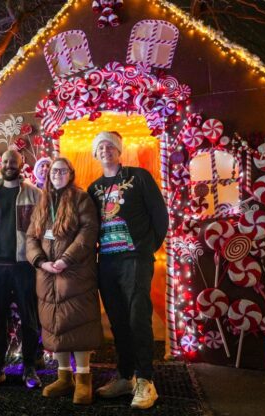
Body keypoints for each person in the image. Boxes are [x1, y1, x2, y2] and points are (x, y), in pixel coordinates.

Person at [87, 131, 168, 410]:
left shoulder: (139, 177)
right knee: (118, 321)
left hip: (135, 259)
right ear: (95, 154)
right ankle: (125, 377)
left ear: (118, 150)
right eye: (100, 147)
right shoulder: (94, 188)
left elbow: (160, 215)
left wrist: (146, 248)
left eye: (110, 146)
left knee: (137, 319)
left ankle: (146, 380)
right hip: (107, 262)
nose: (105, 150)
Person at [26, 157, 102, 404]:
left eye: (62, 170)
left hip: (75, 273)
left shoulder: (81, 199)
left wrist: (67, 259)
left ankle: (83, 380)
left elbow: (88, 231)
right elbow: (31, 237)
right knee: (55, 324)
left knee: (78, 323)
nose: (57, 174)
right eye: (53, 171)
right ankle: (64, 377)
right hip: (47, 275)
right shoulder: (42, 201)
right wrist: (40, 261)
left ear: (71, 173)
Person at [0, 150, 42, 389]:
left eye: (12, 161)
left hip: (24, 266)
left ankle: (29, 368)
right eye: (5, 161)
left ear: (21, 164)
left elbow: (42, 228)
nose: (8, 165)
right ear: (1, 164)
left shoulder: (34, 195)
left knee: (29, 318)